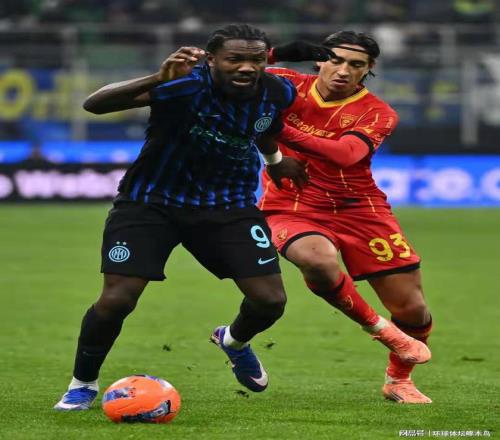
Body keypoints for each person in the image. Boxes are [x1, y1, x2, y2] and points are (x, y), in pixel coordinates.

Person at [54, 23, 310, 411]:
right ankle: (82, 384)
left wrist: (274, 160)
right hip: (150, 202)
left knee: (270, 300)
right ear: (212, 60)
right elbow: (95, 104)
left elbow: (265, 127)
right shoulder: (185, 84)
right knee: (117, 300)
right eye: (234, 59)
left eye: (256, 59)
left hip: (228, 206)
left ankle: (233, 341)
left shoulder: (278, 91)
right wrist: (158, 77)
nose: (246, 67)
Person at [259, 32, 433, 404]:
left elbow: (345, 154)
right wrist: (275, 52)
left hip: (360, 208)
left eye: (356, 65)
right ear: (319, 59)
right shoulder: (284, 84)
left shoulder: (378, 112)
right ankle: (382, 330)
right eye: (335, 60)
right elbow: (219, 68)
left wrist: (274, 128)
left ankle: (399, 380)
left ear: (369, 69)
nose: (343, 71)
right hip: (293, 202)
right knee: (316, 259)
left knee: (413, 309)